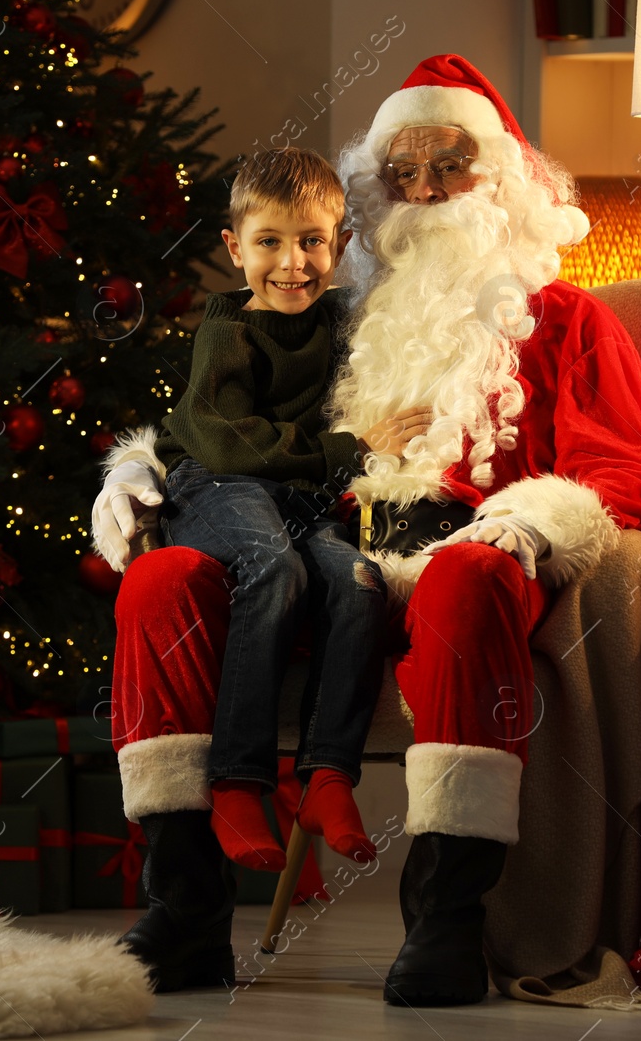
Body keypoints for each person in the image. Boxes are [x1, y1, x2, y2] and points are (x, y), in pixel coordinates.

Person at [92, 55, 641, 1005]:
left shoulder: (566, 322)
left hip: (469, 549)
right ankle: (186, 914)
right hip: (313, 546)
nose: (423, 191)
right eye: (400, 175)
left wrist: (529, 523)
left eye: (447, 166)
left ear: (500, 181)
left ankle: (447, 920)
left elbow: (635, 475)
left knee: (462, 578)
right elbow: (227, 420)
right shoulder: (330, 315)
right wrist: (138, 467)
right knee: (160, 582)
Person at [126, 147, 424, 877]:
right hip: (213, 487)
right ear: (235, 247)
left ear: (341, 245)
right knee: (272, 567)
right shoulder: (226, 331)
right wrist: (346, 450)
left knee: (358, 578)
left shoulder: (340, 323)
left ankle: (326, 776)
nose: (292, 263)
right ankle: (237, 780)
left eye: (312, 241)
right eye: (269, 243)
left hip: (293, 497)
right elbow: (227, 441)